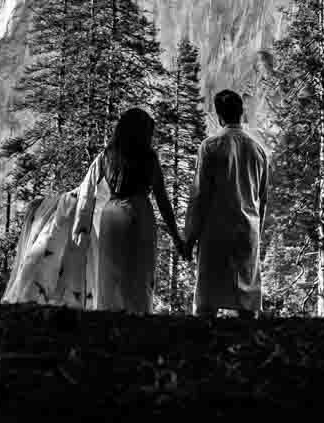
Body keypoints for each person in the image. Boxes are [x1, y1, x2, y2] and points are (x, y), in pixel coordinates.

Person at [73, 107, 185, 313]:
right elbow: (162, 199)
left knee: (110, 276)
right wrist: (176, 237)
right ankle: (139, 323)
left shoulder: (106, 156)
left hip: (111, 216)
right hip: (139, 214)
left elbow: (86, 192)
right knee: (139, 276)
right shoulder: (149, 159)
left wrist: (82, 227)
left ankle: (108, 323)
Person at [184, 88, 269, 319]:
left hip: (215, 234)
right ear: (241, 113)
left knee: (207, 301)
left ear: (219, 116)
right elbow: (262, 200)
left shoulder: (210, 146)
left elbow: (199, 196)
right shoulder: (258, 150)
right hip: (247, 231)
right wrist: (257, 235)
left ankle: (205, 352)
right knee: (247, 303)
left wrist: (189, 237)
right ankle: (250, 351)